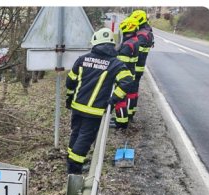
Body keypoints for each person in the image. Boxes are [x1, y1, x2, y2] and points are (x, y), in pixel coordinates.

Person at [65, 28, 136, 174]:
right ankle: (74, 169)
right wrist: (114, 99)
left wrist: (69, 98)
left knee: (76, 133)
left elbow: (70, 81)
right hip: (95, 111)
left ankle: (71, 160)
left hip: (77, 106)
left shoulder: (83, 59)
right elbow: (128, 81)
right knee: (85, 138)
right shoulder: (115, 64)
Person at [115, 18, 141, 128]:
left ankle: (121, 123)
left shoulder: (127, 45)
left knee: (120, 100)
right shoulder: (135, 40)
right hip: (131, 73)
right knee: (126, 97)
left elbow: (119, 63)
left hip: (124, 76)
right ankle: (123, 121)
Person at [129, 9, 154, 122]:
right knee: (134, 91)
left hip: (135, 68)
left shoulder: (142, 34)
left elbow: (134, 49)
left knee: (130, 91)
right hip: (138, 67)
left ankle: (128, 115)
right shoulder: (146, 31)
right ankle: (130, 113)